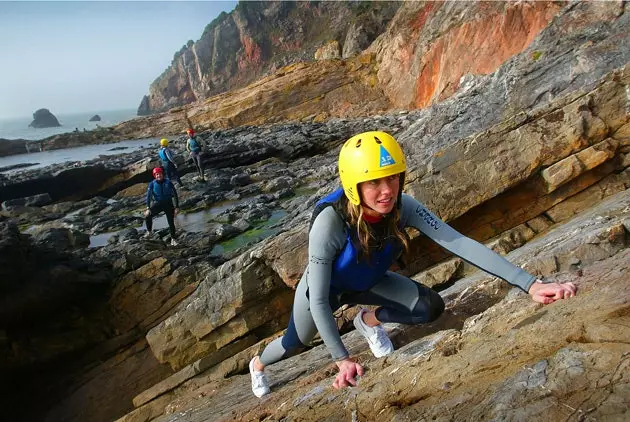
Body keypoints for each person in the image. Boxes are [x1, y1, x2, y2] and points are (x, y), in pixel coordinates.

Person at [248, 131, 577, 398]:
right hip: (324, 292)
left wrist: (531, 284)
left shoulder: (404, 206)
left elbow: (458, 242)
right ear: (353, 185)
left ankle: (368, 320)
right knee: (294, 344)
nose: (386, 191)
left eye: (392, 179)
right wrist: (343, 359)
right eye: (374, 182)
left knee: (429, 308)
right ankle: (258, 365)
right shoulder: (330, 222)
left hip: (370, 281)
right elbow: (318, 300)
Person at [144, 167, 180, 246]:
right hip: (158, 204)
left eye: (159, 174)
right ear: (154, 176)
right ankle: (149, 232)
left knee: (171, 222)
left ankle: (173, 239)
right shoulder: (152, 184)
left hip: (168, 204)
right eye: (156, 174)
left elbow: (175, 194)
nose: (158, 176)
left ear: (162, 174)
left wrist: (176, 207)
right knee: (147, 216)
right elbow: (148, 197)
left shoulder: (168, 182)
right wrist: (148, 208)